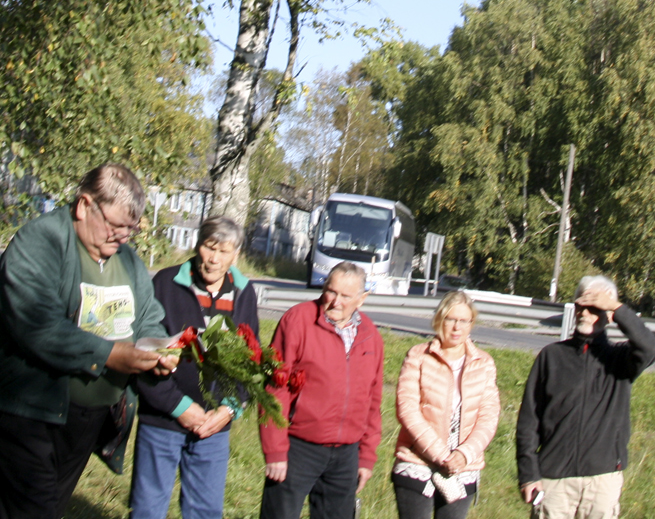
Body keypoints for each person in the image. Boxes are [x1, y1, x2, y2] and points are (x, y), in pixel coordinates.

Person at [0, 163, 178, 519]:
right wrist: (110, 354)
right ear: (84, 205)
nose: (122, 238)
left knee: (50, 506)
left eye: (130, 230)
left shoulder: (126, 259)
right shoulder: (40, 241)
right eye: (116, 226)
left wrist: (158, 349)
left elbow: (148, 314)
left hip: (87, 417)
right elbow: (38, 326)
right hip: (27, 409)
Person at [132, 216, 261, 519]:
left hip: (214, 429)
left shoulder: (244, 293)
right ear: (197, 244)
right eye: (209, 247)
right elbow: (144, 353)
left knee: (205, 512)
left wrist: (229, 409)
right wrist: (179, 407)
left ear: (236, 254)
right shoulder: (165, 283)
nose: (214, 259)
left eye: (224, 251)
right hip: (162, 421)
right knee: (147, 510)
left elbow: (250, 363)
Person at [516, 275, 655, 519]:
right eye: (580, 305)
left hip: (602, 481)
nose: (584, 313)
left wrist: (617, 308)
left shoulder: (620, 360)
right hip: (554, 480)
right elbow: (529, 422)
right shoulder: (551, 356)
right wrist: (529, 475)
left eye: (594, 307)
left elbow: (650, 349)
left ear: (607, 315)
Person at [259, 261, 386, 519]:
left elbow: (372, 400)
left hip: (346, 454)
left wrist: (366, 456)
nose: (335, 301)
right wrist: (275, 450)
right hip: (298, 447)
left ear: (362, 299)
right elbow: (275, 389)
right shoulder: (297, 321)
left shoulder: (371, 336)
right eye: (331, 291)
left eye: (345, 296)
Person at [392, 291, 501, 519]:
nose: (456, 327)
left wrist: (463, 454)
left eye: (464, 321)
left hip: (463, 467)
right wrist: (441, 455)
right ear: (439, 319)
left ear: (471, 323)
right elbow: (407, 409)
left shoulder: (484, 363)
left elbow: (489, 417)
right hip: (417, 461)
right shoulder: (418, 356)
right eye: (451, 319)